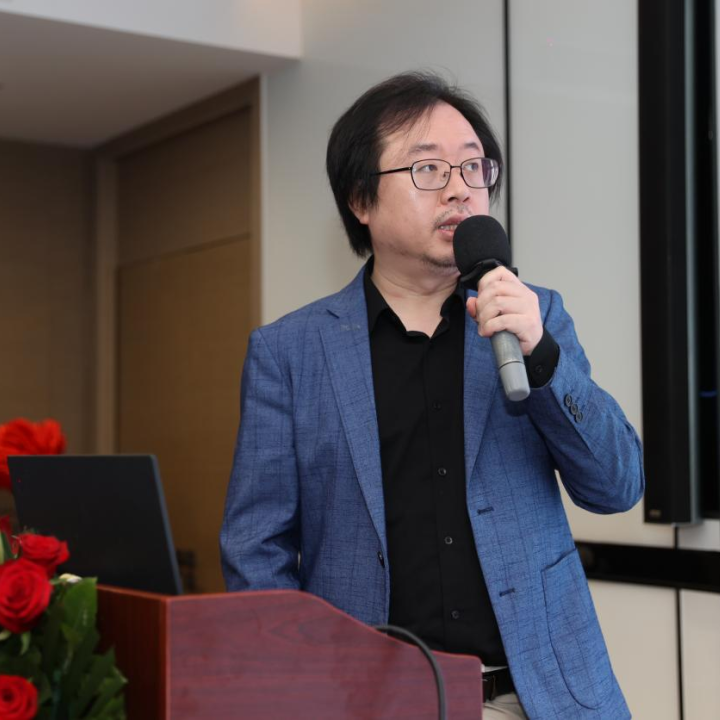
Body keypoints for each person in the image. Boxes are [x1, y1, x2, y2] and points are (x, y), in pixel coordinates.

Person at [220, 71, 643, 719]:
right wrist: (297, 690)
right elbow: (256, 549)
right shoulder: (290, 353)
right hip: (366, 704)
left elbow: (616, 485)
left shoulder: (535, 317)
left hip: (536, 699)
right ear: (360, 200)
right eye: (428, 170)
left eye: (474, 167)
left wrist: (543, 358)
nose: (459, 188)